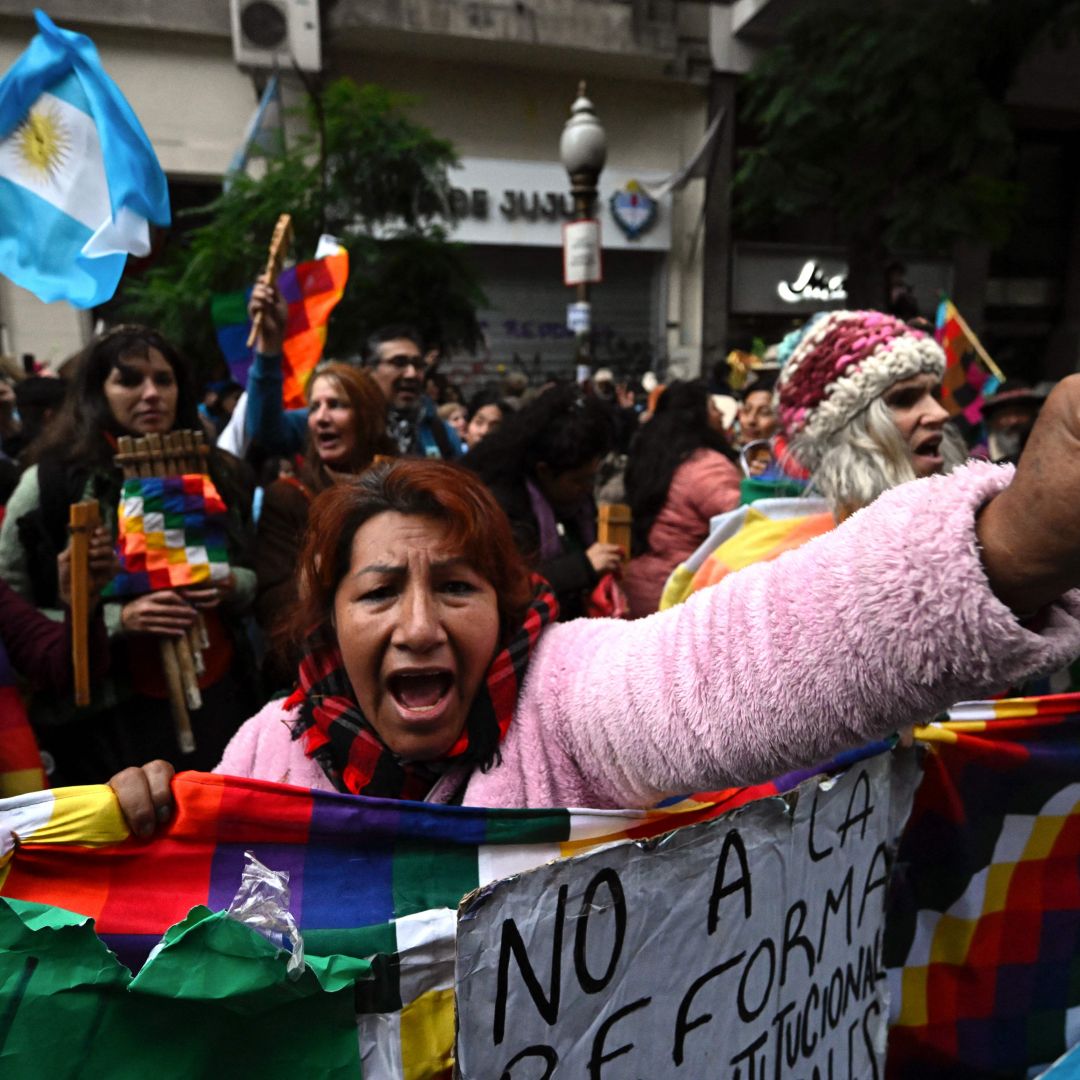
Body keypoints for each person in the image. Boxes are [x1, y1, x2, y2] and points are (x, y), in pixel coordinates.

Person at [112, 397, 1080, 828]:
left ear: (507, 603)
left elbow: (732, 663)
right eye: (378, 593)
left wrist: (1016, 542)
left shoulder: (565, 692)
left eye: (456, 587)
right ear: (327, 622)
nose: (417, 628)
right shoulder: (261, 760)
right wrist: (141, 829)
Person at [0, 325, 259, 783]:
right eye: (129, 380)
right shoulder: (51, 485)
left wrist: (228, 582)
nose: (151, 393)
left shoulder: (218, 470)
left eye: (164, 379)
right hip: (111, 720)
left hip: (222, 691)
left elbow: (255, 576)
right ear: (98, 391)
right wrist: (120, 620)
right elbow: (14, 620)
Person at [255, 362, 394, 683]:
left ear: (367, 415)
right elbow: (270, 608)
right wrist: (317, 577)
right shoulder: (288, 497)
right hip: (322, 676)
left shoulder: (404, 486)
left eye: (337, 405)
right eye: (314, 407)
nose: (321, 417)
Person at [243, 280, 463, 460]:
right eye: (399, 363)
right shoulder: (338, 420)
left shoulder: (441, 434)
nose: (412, 374)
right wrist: (269, 347)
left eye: (418, 364)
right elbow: (266, 432)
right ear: (368, 372)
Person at [465, 385, 620, 620]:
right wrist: (584, 567)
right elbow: (508, 588)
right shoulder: (502, 506)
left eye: (592, 477)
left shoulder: (576, 506)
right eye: (579, 480)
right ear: (544, 472)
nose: (587, 488)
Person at [622, 380, 742, 618]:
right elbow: (743, 522)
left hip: (637, 589)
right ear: (696, 416)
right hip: (679, 596)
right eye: (713, 407)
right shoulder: (706, 465)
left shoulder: (653, 455)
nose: (720, 414)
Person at [981, 381, 1046, 464]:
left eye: (1019, 412)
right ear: (994, 422)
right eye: (1005, 415)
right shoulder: (983, 461)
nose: (1013, 421)